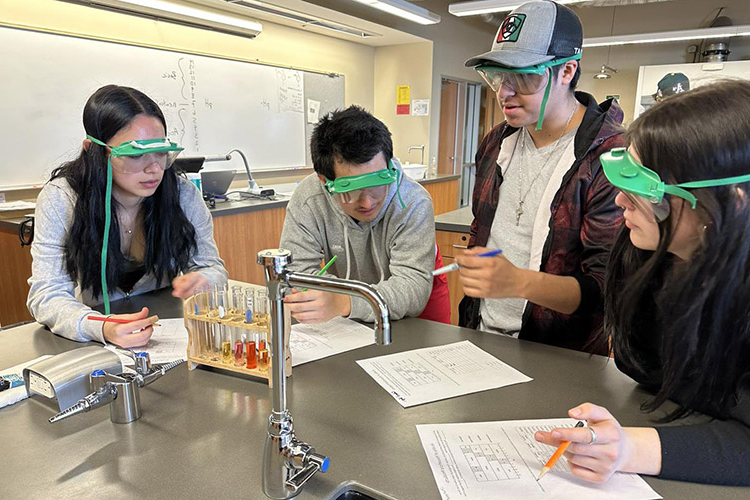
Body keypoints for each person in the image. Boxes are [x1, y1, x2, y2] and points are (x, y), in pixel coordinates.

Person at [535, 80, 750, 485]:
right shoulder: (645, 253)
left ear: (732, 201)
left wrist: (628, 449)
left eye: (642, 191)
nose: (620, 202)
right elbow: (642, 369)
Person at [458, 0, 626, 353]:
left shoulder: (609, 155)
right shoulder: (496, 142)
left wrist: (518, 282)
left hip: (558, 356)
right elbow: (482, 227)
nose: (505, 92)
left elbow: (604, 288)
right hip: (481, 335)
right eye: (499, 77)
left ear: (566, 71)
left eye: (522, 77)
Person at [27, 85, 227, 347]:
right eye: (136, 154)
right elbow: (45, 295)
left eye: (160, 152)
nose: (154, 168)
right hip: (94, 340)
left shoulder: (181, 193)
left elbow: (211, 267)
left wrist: (204, 281)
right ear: (93, 150)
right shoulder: (62, 199)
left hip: (163, 331)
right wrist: (101, 327)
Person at [279, 105, 450, 324]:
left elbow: (412, 289)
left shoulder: (413, 202)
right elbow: (296, 272)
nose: (367, 202)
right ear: (325, 181)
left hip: (413, 310)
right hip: (346, 309)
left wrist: (344, 301)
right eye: (350, 192)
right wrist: (340, 301)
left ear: (389, 167)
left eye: (377, 185)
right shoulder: (308, 199)